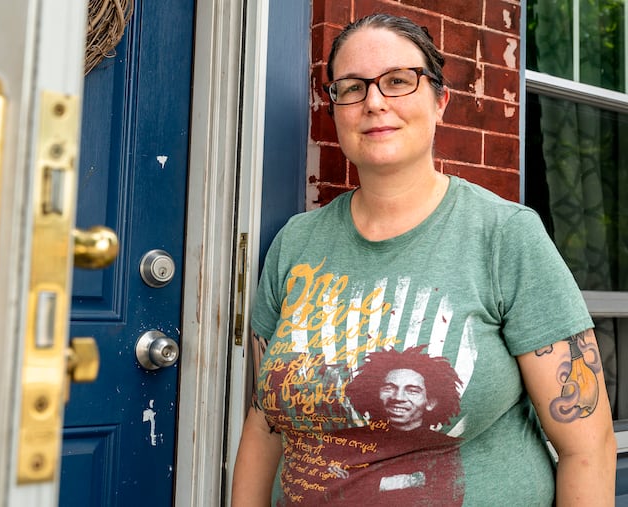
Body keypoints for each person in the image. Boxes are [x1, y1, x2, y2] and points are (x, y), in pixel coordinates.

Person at [231, 12, 616, 507]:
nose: (374, 102)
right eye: (351, 87)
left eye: (398, 81)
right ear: (335, 108)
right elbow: (266, 425)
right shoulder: (295, 244)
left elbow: (587, 446)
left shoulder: (504, 235)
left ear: (439, 101)